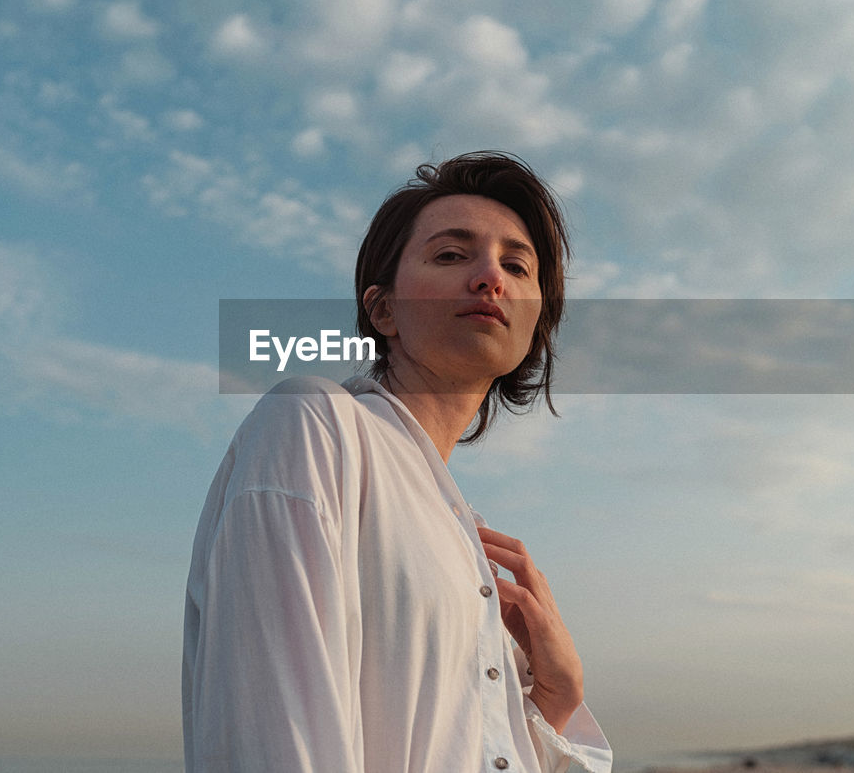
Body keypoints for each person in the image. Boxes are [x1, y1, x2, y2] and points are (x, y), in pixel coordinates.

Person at [182, 152, 612, 772]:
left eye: (516, 265)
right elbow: (275, 742)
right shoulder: (314, 427)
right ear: (383, 309)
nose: (490, 276)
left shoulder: (466, 530)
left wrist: (557, 701)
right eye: (450, 255)